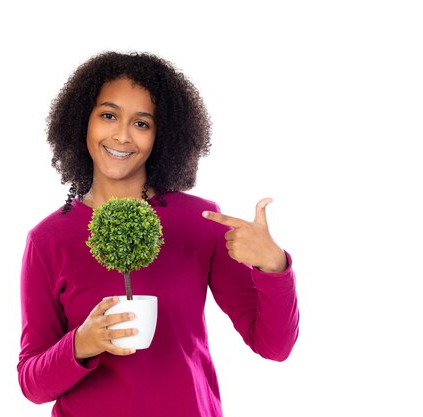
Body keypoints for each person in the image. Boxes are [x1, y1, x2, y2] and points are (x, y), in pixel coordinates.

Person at [18, 51, 299, 417]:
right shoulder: (48, 239)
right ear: (81, 122)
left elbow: (274, 346)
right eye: (108, 115)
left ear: (161, 136)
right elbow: (32, 384)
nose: (122, 135)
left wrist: (273, 266)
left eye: (142, 123)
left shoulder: (199, 222)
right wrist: (81, 343)